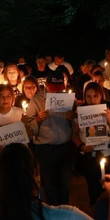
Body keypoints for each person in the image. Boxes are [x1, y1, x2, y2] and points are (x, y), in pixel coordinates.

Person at [25, 70, 75, 205]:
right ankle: (51, 209)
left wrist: (72, 118)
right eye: (53, 89)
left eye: (59, 89)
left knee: (64, 184)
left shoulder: (68, 99)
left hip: (65, 147)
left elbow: (76, 124)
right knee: (49, 184)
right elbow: (28, 125)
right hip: (45, 149)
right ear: (46, 85)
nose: (56, 92)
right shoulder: (36, 100)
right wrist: (38, 119)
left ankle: (64, 209)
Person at [72, 82, 110, 206]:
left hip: (106, 153)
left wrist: (109, 119)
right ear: (84, 97)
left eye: (95, 96)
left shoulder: (109, 107)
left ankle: (109, 210)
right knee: (92, 186)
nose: (92, 100)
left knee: (107, 185)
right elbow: (75, 133)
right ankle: (95, 208)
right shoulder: (80, 111)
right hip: (89, 155)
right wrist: (81, 146)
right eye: (88, 96)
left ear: (101, 96)